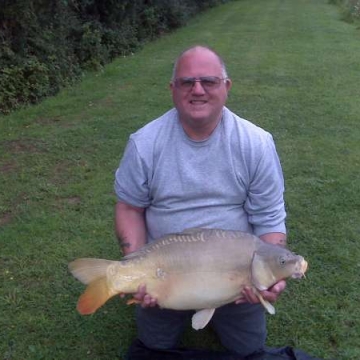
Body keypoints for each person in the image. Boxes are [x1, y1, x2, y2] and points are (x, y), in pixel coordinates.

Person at [114, 45, 287, 358]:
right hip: (167, 269)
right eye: (186, 82)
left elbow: (270, 217)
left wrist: (270, 272)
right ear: (172, 89)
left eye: (209, 81)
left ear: (226, 87)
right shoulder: (144, 144)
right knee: (154, 345)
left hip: (235, 269)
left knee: (249, 347)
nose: (198, 90)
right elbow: (129, 207)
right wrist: (134, 264)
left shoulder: (256, 143)